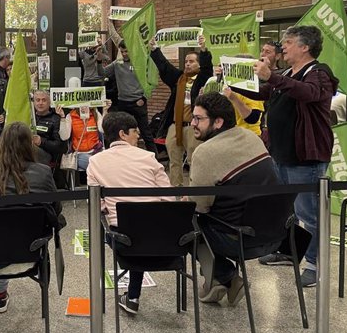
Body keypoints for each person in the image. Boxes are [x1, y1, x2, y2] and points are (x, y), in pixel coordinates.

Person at [244, 26, 338, 287]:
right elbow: (264, 94)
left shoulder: (320, 73)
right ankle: (288, 251)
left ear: (305, 47)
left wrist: (272, 77)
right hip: (281, 153)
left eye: (289, 42)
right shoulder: (286, 73)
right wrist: (235, 81)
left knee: (309, 214)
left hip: (305, 156)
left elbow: (307, 93)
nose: (283, 46)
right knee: (287, 209)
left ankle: (314, 264)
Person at [188, 93, 279, 305]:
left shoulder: (205, 152)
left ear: (218, 122)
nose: (193, 123)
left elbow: (200, 207)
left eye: (198, 119)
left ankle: (227, 277)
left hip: (239, 239)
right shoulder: (251, 138)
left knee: (187, 224)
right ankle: (216, 281)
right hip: (277, 235)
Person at [0, 122, 65, 313]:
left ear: (1, 145)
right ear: (30, 145)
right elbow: (56, 209)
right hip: (32, 254)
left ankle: (0, 293)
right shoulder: (44, 174)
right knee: (11, 232)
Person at [87, 112, 173, 315]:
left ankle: (133, 296)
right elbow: (169, 197)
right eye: (135, 131)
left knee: (130, 225)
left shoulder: (96, 162)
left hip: (123, 240)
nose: (139, 136)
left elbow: (96, 204)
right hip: (163, 241)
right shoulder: (149, 157)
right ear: (122, 134)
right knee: (143, 221)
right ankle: (133, 296)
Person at [149, 35, 213, 186]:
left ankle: (193, 192)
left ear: (199, 64)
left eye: (192, 61)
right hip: (175, 125)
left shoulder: (203, 78)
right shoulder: (179, 78)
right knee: (174, 160)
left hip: (194, 126)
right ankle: (176, 191)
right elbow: (164, 66)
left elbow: (207, 67)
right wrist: (154, 49)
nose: (188, 64)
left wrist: (203, 49)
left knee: (193, 160)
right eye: (186, 61)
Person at [103, 41, 156, 153]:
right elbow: (102, 72)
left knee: (146, 133)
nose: (124, 54)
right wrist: (99, 57)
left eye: (126, 51)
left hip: (138, 102)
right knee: (122, 132)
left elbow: (152, 80)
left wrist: (144, 98)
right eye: (122, 52)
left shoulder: (140, 63)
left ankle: (154, 159)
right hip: (123, 102)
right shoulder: (117, 64)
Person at [57, 98, 111, 172]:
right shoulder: (70, 116)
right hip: (79, 154)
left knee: (102, 161)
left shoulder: (95, 114)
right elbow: (64, 137)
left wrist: (105, 111)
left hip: (96, 151)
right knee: (95, 163)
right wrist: (62, 117)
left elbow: (103, 130)